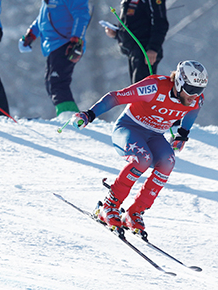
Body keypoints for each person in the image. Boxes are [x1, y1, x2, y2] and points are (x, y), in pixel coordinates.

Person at [70, 61, 208, 236]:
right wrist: (89, 114)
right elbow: (116, 96)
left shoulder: (196, 100)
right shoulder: (154, 86)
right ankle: (109, 206)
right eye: (191, 89)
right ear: (179, 82)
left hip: (155, 135)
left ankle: (134, 213)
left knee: (168, 162)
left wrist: (182, 134)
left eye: (200, 90)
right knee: (143, 159)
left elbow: (192, 113)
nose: (194, 95)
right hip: (129, 129)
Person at [20, 0, 90, 117]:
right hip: (51, 44)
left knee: (58, 81)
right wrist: (31, 34)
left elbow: (81, 16)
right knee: (50, 82)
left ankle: (68, 116)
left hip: (66, 43)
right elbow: (43, 17)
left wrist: (76, 40)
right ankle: (69, 114)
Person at [104, 0, 169, 84]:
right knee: (137, 90)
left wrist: (153, 48)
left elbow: (160, 23)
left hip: (145, 51)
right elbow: (132, 26)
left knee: (141, 92)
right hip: (133, 50)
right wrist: (116, 33)